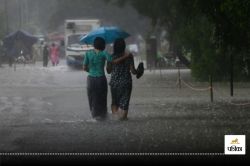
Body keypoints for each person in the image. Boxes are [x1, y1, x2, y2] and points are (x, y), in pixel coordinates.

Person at [83, 37, 130, 122]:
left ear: (94, 44)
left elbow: (84, 67)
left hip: (90, 79)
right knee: (102, 97)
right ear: (103, 45)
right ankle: (103, 116)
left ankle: (94, 116)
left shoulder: (88, 53)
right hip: (101, 79)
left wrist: (92, 71)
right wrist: (126, 56)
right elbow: (113, 61)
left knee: (91, 97)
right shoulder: (104, 53)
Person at [107, 38, 137, 121]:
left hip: (114, 83)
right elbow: (133, 71)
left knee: (114, 102)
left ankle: (115, 118)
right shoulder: (129, 56)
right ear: (124, 46)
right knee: (125, 102)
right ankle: (123, 117)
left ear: (114, 47)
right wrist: (138, 71)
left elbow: (108, 71)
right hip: (126, 83)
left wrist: (108, 65)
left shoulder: (111, 57)